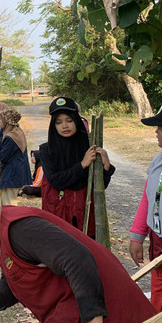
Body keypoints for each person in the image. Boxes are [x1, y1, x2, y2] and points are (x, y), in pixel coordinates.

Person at [0, 179, 156, 323]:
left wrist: (93, 318)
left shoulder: (22, 228)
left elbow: (78, 259)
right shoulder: (8, 228)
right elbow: (17, 275)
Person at [38, 97, 114, 237]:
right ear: (53, 125)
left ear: (77, 121)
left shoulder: (89, 147)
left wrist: (106, 166)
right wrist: (82, 165)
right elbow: (56, 181)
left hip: (86, 216)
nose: (64, 126)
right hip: (58, 215)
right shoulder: (46, 151)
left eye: (69, 120)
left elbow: (100, 187)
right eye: (59, 122)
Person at [130, 102, 162, 312]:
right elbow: (148, 200)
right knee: (161, 306)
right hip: (160, 244)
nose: (156, 132)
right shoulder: (159, 160)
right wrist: (137, 236)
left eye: (161, 126)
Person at [0, 107, 32, 206]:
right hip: (16, 174)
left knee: (8, 205)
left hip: (12, 176)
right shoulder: (16, 131)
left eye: (0, 119)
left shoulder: (11, 138)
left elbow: (3, 157)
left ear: (7, 121)